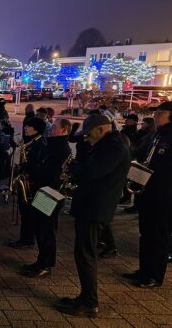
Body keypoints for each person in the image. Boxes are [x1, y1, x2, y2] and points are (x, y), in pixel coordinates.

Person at [59, 114, 131, 317]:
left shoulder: (112, 148)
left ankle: (90, 302)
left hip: (95, 208)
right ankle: (85, 297)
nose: (86, 138)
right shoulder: (109, 145)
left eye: (88, 133)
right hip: (92, 206)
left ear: (101, 129)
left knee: (86, 255)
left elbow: (92, 172)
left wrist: (73, 167)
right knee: (83, 253)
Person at [123, 102, 172, 288]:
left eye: (161, 112)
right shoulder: (156, 134)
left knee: (159, 235)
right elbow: (142, 155)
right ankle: (144, 269)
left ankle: (155, 275)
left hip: (164, 194)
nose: (157, 115)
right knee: (146, 233)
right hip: (147, 191)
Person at [22, 118, 71, 278]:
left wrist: (33, 169)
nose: (51, 129)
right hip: (44, 190)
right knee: (40, 227)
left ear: (64, 130)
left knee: (46, 229)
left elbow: (51, 172)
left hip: (50, 192)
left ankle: (46, 264)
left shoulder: (61, 148)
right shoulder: (54, 144)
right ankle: (41, 261)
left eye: (55, 127)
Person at [7, 117, 47, 249]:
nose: (25, 128)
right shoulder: (32, 141)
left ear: (36, 129)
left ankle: (27, 239)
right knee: (25, 213)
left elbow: (35, 165)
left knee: (29, 213)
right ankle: (25, 238)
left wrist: (24, 166)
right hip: (27, 181)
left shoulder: (39, 144)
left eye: (28, 126)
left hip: (32, 184)